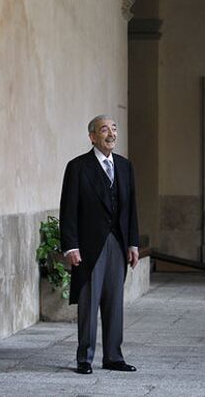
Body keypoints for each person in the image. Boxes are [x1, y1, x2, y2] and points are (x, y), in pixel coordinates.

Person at [59, 115, 139, 374]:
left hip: (117, 242)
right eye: (104, 130)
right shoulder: (78, 167)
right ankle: (85, 358)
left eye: (114, 129)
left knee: (114, 302)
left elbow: (131, 210)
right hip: (89, 245)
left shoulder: (125, 167)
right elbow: (68, 209)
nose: (111, 134)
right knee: (89, 302)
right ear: (93, 136)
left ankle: (114, 357)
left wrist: (133, 243)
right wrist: (71, 246)